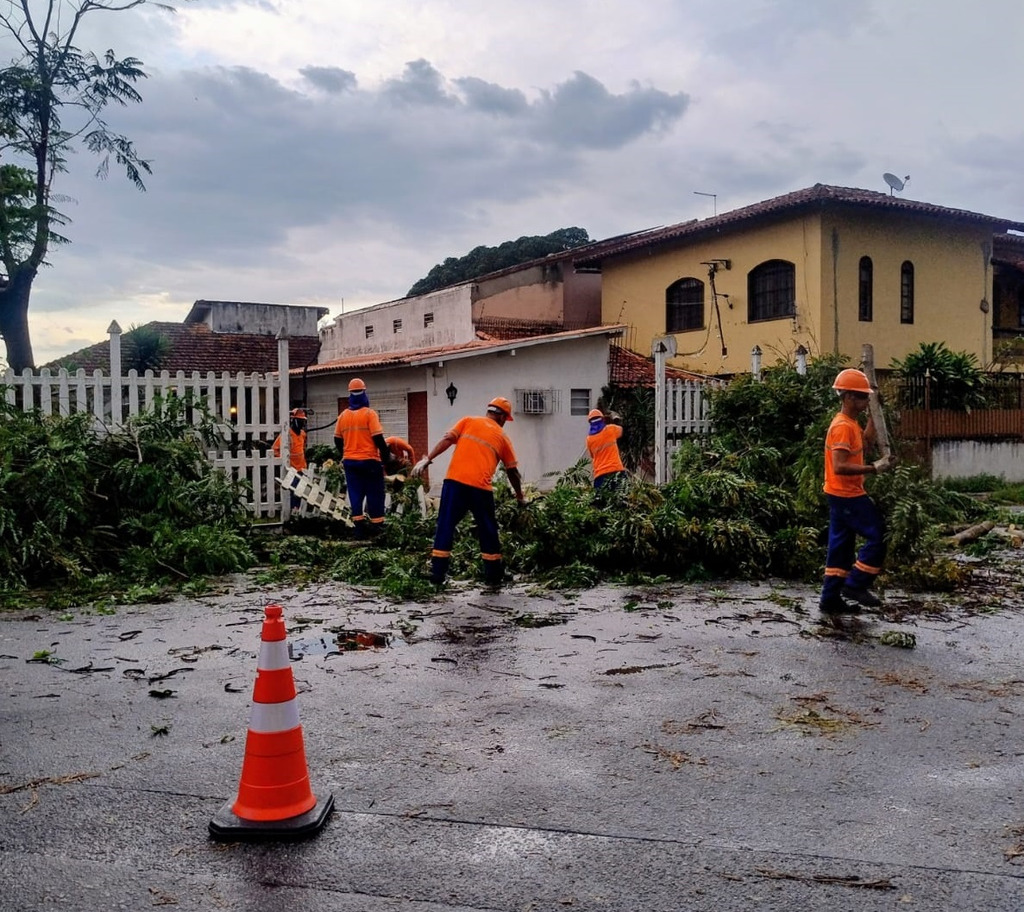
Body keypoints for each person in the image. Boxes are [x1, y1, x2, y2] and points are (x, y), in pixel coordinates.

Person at [411, 396, 525, 589]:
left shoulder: (467, 421)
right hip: (480, 488)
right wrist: (520, 497)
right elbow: (512, 471)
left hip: (454, 483)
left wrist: (428, 459)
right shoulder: (503, 437)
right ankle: (493, 575)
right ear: (502, 417)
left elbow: (447, 439)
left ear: (489, 411)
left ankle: (438, 574)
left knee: (445, 525)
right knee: (488, 530)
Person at [819, 368, 894, 615]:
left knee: (841, 547)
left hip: (839, 493)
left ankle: (830, 599)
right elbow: (840, 466)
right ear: (849, 397)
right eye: (863, 397)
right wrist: (874, 468)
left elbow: (866, 442)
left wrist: (874, 416)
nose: (865, 401)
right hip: (847, 494)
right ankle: (855, 584)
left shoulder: (851, 424)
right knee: (878, 534)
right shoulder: (842, 427)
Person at [333, 378, 391, 539]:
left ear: (350, 395)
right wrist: (386, 458)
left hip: (350, 462)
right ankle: (377, 529)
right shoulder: (369, 414)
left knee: (355, 494)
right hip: (370, 461)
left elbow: (337, 440)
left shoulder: (343, 416)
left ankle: (359, 530)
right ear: (364, 394)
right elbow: (378, 438)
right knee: (375, 494)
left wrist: (345, 453)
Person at [585, 407, 626, 491]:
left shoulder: (589, 439)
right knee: (622, 495)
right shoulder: (611, 429)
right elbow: (621, 431)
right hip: (616, 469)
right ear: (602, 419)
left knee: (601, 498)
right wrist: (614, 419)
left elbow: (592, 456)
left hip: (600, 475)